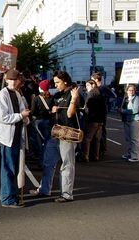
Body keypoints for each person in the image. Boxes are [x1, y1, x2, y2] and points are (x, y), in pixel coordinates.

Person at [29, 71, 82, 203]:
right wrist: (52, 111)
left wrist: (74, 99)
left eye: (58, 82)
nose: (56, 85)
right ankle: (44, 189)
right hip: (55, 132)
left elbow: (70, 114)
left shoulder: (73, 94)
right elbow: (51, 111)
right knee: (48, 162)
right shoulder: (57, 95)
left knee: (67, 164)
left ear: (65, 81)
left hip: (68, 133)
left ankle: (66, 193)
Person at [0, 69, 30, 208]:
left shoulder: (16, 94)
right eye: (11, 79)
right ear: (6, 80)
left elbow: (21, 112)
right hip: (8, 136)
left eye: (16, 79)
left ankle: (10, 195)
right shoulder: (3, 95)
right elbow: (3, 117)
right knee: (8, 167)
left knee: (13, 167)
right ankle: (7, 198)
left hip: (15, 135)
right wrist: (21, 116)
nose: (14, 82)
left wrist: (25, 118)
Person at [91, 72, 116, 158]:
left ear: (97, 80)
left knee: (102, 130)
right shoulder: (96, 88)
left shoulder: (103, 88)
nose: (91, 81)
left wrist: (106, 103)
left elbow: (114, 96)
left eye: (92, 80)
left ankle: (102, 148)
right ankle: (98, 148)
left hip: (102, 112)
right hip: (96, 112)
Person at [80, 79, 105, 162]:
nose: (86, 87)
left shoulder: (91, 93)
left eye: (87, 85)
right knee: (97, 139)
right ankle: (95, 156)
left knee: (87, 138)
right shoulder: (100, 93)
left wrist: (84, 111)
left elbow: (87, 107)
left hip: (92, 119)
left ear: (93, 85)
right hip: (100, 120)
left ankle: (85, 156)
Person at [30, 79, 53, 166]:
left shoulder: (36, 99)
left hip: (38, 122)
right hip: (48, 122)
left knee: (38, 142)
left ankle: (40, 160)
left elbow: (32, 112)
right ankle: (45, 160)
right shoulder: (52, 98)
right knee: (47, 142)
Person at [119, 84, 139, 162]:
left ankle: (135, 156)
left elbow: (135, 110)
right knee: (128, 138)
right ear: (126, 91)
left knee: (134, 139)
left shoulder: (137, 98)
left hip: (135, 120)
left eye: (133, 90)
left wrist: (124, 111)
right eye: (130, 90)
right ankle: (129, 153)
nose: (131, 91)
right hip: (127, 120)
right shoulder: (126, 98)